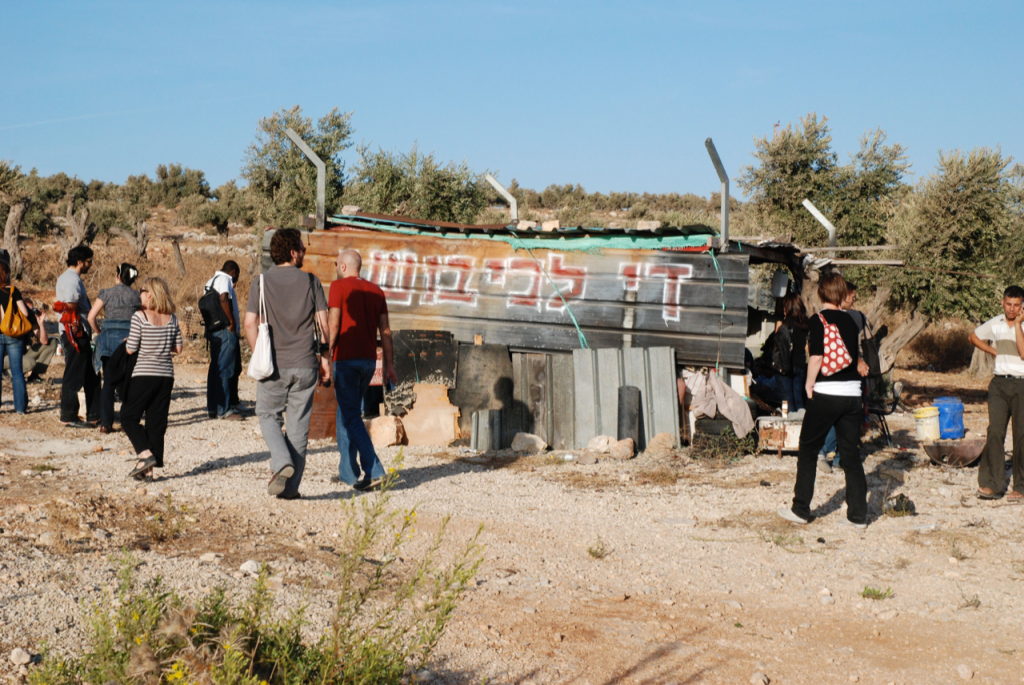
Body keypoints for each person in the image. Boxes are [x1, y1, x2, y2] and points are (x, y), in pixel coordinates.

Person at [778, 272, 870, 529]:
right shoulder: (853, 322)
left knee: (808, 449)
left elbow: (816, 358)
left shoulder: (817, 320)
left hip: (828, 394)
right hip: (852, 394)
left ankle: (801, 509)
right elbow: (852, 358)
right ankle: (858, 516)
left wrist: (809, 384)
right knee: (850, 454)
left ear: (821, 293)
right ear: (842, 294)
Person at [243, 228, 330, 500]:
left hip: (274, 366)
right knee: (298, 428)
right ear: (293, 252)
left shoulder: (261, 282)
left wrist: (260, 353)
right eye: (302, 248)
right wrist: (325, 360)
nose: (304, 252)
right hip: (305, 365)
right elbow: (323, 326)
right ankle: (290, 490)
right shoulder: (311, 281)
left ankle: (281, 462)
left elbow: (248, 324)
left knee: (267, 414)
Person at [328, 249, 397, 490]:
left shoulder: (338, 287)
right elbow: (385, 332)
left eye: (337, 263)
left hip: (345, 359)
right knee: (346, 413)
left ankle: (374, 469)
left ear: (344, 267)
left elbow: (334, 323)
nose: (336, 267)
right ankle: (347, 473)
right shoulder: (377, 291)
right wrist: (389, 365)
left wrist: (327, 352)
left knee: (351, 416)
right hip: (368, 362)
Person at [122, 277, 183, 481]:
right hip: (165, 375)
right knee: (156, 423)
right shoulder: (172, 318)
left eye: (141, 290)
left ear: (149, 294)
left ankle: (145, 455)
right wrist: (162, 345)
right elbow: (179, 348)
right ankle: (148, 472)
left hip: (144, 374)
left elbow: (131, 348)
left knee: (128, 417)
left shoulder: (140, 317)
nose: (139, 294)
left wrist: (130, 342)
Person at [969, 285, 1024, 503]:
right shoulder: (996, 322)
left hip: (1021, 384)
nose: (1011, 309)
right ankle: (993, 484)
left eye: (1016, 305)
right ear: (1003, 302)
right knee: (994, 432)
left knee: (1021, 436)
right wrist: (993, 351)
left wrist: (1018, 325)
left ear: (1022, 306)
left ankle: (1020, 486)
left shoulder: (1021, 324)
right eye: (1008, 304)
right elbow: (972, 337)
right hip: (1000, 384)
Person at [818, 280, 872, 471]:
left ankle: (830, 453)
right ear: (843, 295)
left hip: (835, 374)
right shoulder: (850, 318)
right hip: (847, 376)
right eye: (852, 297)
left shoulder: (833, 317)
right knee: (844, 418)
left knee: (837, 416)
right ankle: (836, 455)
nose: (853, 300)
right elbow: (850, 349)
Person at [87, 263, 141, 434]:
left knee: (108, 382)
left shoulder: (106, 293)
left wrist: (100, 332)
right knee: (128, 383)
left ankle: (105, 423)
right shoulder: (137, 296)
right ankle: (127, 422)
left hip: (109, 341)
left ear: (118, 275)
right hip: (129, 341)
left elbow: (91, 317)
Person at [204, 260, 243, 421]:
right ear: (233, 272)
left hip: (214, 331)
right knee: (225, 369)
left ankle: (212, 408)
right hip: (225, 330)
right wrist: (231, 322)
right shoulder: (225, 279)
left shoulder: (209, 282)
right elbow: (223, 298)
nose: (234, 283)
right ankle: (224, 410)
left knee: (215, 369)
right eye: (236, 278)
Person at [0, 259, 39, 414]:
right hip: (13, 333)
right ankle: (20, 408)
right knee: (17, 371)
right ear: (6, 274)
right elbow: (24, 312)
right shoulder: (12, 290)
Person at [774, 293, 809, 412]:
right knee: (798, 398)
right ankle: (801, 425)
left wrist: (778, 330)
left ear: (788, 307)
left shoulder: (786, 324)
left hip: (786, 366)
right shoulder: (805, 324)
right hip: (800, 366)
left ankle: (791, 426)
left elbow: (779, 345)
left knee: (787, 400)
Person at [21, 298, 57, 383]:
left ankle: (34, 375)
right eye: (28, 310)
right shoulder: (13, 321)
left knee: (52, 342)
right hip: (9, 357)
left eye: (32, 310)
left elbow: (44, 342)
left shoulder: (31, 322)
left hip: (23, 355)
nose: (30, 313)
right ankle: (7, 373)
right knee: (30, 363)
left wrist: (41, 324)